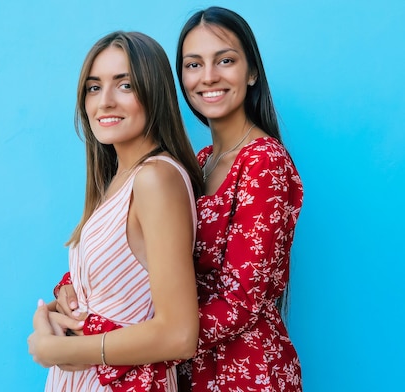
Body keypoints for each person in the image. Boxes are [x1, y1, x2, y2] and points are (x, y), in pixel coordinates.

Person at [54, 7, 304, 392]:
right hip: (183, 371)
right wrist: (76, 289)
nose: (208, 77)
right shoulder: (200, 163)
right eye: (192, 64)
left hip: (243, 372)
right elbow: (146, 255)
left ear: (252, 72)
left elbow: (241, 300)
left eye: (225, 60)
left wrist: (113, 336)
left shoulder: (264, 161)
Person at [27, 31, 205, 392]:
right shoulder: (117, 180)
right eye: (94, 88)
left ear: (153, 92)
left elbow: (180, 334)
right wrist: (64, 305)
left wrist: (58, 348)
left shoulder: (155, 179)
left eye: (124, 85)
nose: (104, 101)